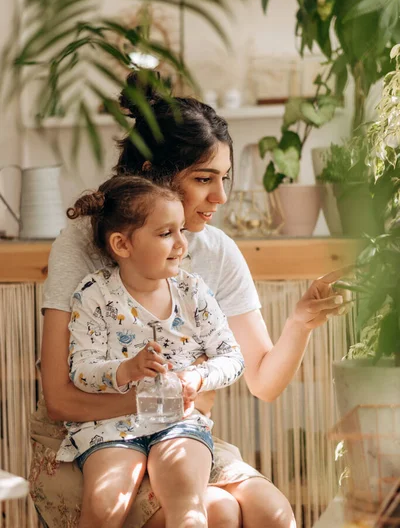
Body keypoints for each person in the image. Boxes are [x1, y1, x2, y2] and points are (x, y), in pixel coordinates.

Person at [30, 72, 349, 528]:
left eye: (224, 178)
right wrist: (161, 396)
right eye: (204, 179)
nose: (219, 196)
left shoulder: (215, 251)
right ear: (151, 175)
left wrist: (299, 321)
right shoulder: (87, 242)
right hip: (90, 436)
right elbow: (61, 398)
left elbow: (261, 380)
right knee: (217, 512)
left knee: (273, 513)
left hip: (178, 431)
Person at [59, 174, 245, 528]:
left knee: (188, 509)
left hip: (179, 424)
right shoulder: (93, 295)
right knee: (104, 506)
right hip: (110, 428)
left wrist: (198, 376)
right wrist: (125, 370)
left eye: (181, 232)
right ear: (122, 245)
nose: (181, 244)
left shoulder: (193, 292)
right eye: (165, 234)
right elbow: (80, 370)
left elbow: (233, 358)